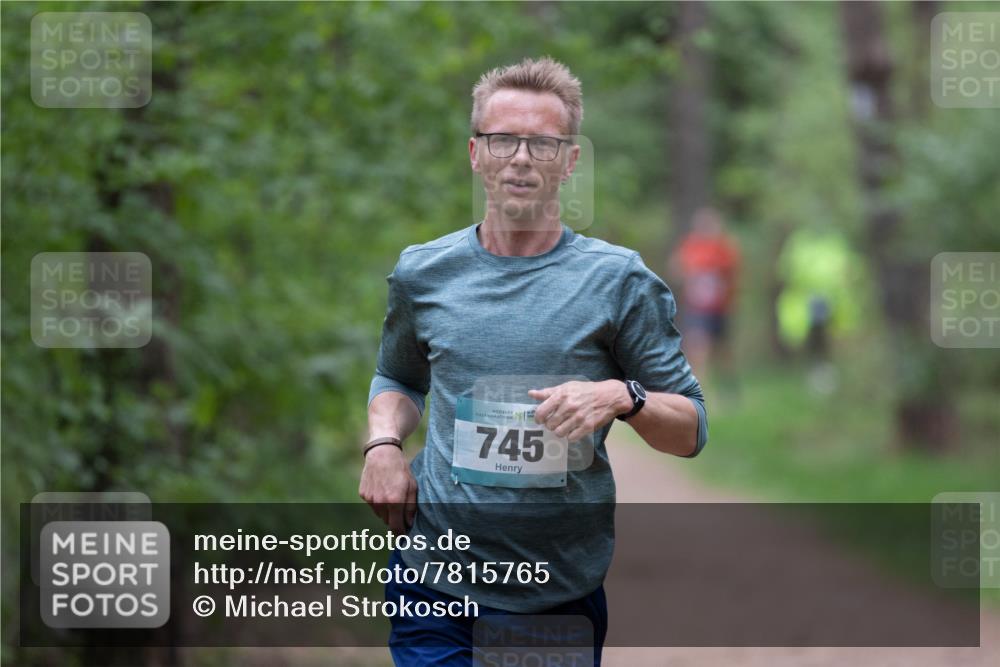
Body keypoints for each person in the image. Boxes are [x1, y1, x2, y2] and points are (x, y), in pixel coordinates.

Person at [360, 57, 708, 667]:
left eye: (543, 143)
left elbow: (691, 429)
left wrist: (625, 396)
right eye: (503, 140)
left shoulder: (619, 280)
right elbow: (398, 377)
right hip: (433, 576)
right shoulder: (423, 272)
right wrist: (383, 445)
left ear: (570, 161)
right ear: (476, 153)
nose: (521, 158)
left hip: (556, 592)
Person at [672, 207, 741, 380]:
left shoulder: (724, 247)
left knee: (723, 351)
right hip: (697, 308)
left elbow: (734, 274)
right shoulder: (690, 246)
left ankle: (728, 387)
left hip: (720, 307)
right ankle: (699, 390)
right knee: (698, 348)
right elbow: (675, 269)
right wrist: (691, 275)